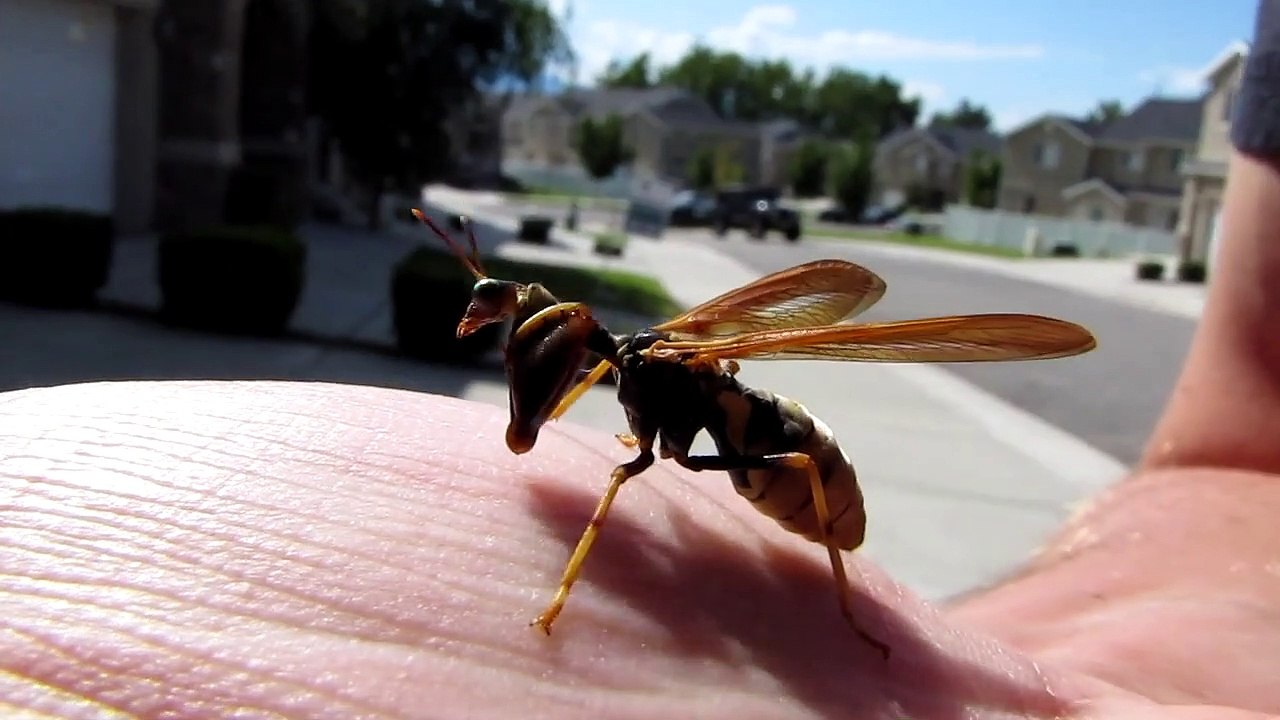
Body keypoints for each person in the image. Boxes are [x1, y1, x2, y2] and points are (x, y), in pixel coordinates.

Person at [7, 8, 1280, 720]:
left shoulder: (668, 388)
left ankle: (838, 601)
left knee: (725, 471)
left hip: (793, 468)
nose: (536, 358)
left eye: (533, 342)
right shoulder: (610, 365)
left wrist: (847, 617)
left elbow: (793, 367)